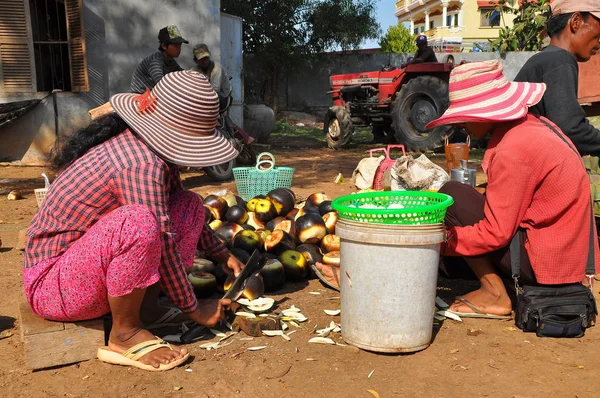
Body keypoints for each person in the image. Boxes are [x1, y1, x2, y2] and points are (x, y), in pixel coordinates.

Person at [24, 71, 244, 371]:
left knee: (189, 205)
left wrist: (222, 253)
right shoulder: (140, 165)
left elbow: (171, 217)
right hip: (52, 287)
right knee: (138, 222)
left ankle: (146, 309)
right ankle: (124, 333)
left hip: (82, 271)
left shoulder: (150, 153)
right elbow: (162, 240)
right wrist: (194, 309)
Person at [426, 60, 598, 318]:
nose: (462, 125)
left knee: (453, 196)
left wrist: (439, 243)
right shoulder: (533, 126)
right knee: (460, 204)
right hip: (572, 257)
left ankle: (494, 293)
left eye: (465, 118)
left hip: (551, 265)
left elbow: (495, 234)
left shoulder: (513, 149)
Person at [514, 0, 600, 156]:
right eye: (599, 33)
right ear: (576, 21)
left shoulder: (545, 58)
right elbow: (571, 129)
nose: (599, 42)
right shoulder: (560, 59)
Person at [130, 25, 189, 94]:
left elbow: (182, 73)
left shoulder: (171, 61)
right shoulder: (155, 61)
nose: (179, 49)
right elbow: (161, 85)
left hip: (154, 95)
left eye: (180, 45)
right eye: (175, 45)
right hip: (141, 96)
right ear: (164, 46)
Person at [191, 44, 232, 110]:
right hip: (203, 97)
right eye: (201, 59)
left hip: (222, 97)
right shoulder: (194, 71)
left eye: (206, 58)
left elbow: (215, 90)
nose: (204, 61)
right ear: (196, 61)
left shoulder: (217, 69)